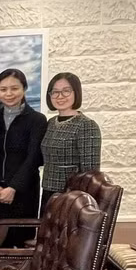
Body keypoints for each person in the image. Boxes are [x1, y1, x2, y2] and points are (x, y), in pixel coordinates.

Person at [0, 69, 47, 247]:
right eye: (3, 89)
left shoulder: (37, 119)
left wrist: (13, 188)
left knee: (24, 244)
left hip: (24, 191)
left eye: (14, 88)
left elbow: (34, 157)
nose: (9, 94)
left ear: (24, 89)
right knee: (0, 243)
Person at [40, 72, 101, 214]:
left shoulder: (86, 125)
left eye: (66, 91)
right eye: (55, 92)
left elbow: (90, 173)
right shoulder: (50, 123)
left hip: (72, 196)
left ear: (76, 93)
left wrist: (79, 201)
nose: (60, 96)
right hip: (48, 191)